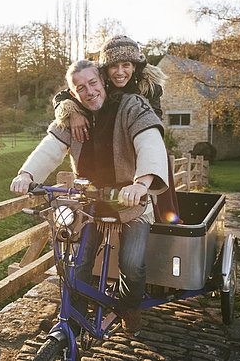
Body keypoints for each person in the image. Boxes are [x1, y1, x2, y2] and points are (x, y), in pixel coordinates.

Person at [10, 59, 169, 336]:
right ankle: (76, 318)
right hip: (89, 202)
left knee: (131, 264)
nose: (89, 91)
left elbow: (150, 140)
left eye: (93, 83)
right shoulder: (72, 115)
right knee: (76, 261)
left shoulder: (131, 105)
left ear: (103, 81)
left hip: (132, 200)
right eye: (80, 87)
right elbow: (51, 147)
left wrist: (141, 183)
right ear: (73, 93)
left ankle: (131, 309)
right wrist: (26, 174)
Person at [53, 34, 182, 224]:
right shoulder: (99, 81)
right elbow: (65, 94)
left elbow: (151, 125)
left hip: (138, 143)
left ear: (135, 66)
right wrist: (72, 112)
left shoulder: (149, 88)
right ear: (105, 69)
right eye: (114, 66)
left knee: (155, 174)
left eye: (126, 65)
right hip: (111, 143)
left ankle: (160, 221)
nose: (120, 72)